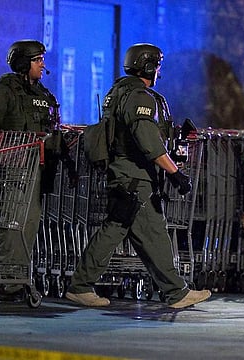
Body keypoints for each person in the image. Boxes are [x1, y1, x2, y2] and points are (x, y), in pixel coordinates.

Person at [65, 43, 211, 308]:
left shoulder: (119, 91)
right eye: (157, 66)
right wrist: (176, 173)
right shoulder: (140, 97)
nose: (159, 73)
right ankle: (175, 292)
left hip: (124, 174)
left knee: (119, 230)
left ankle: (81, 286)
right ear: (148, 66)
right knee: (151, 233)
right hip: (135, 177)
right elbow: (148, 142)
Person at [0, 39, 76, 301]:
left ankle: (15, 278)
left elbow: (51, 131)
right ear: (22, 63)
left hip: (37, 172)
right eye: (37, 59)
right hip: (10, 172)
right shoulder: (2, 92)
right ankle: (7, 282)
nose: (43, 64)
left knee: (29, 224)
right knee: (12, 224)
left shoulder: (43, 95)